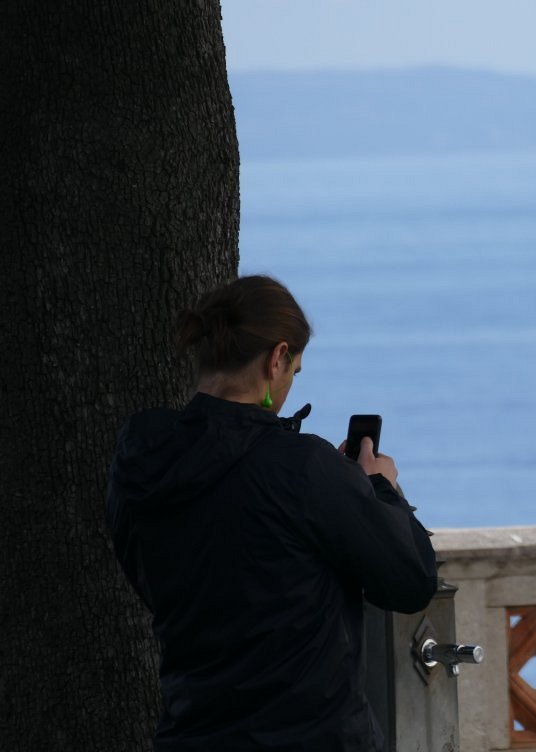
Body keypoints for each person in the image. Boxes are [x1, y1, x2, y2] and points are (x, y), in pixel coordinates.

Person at [107, 275, 438, 751]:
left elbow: (150, 580)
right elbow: (411, 581)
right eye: (294, 371)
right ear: (277, 358)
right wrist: (380, 488)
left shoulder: (140, 459)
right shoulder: (302, 468)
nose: (289, 384)